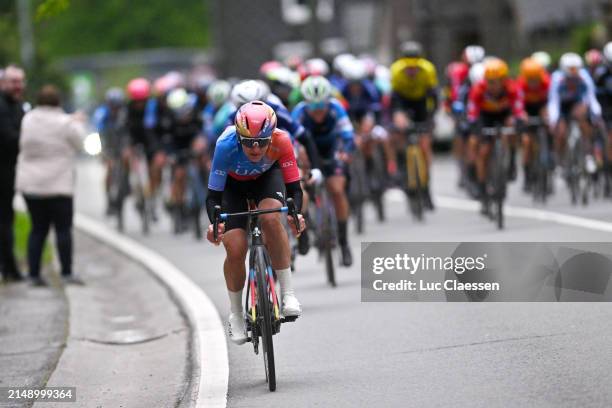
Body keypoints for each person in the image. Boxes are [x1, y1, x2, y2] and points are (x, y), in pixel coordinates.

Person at [205, 101, 305, 344]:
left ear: (271, 136)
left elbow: (294, 189)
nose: (256, 147)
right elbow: (213, 197)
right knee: (236, 247)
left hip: (266, 180)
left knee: (271, 217)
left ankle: (288, 294)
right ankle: (237, 315)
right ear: (239, 136)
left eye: (261, 140)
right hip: (232, 187)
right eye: (249, 141)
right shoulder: (225, 145)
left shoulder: (281, 141)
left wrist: (295, 214)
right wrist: (215, 224)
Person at [15, 85, 86, 286]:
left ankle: (34, 274)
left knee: (37, 229)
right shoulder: (65, 123)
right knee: (63, 230)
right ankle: (66, 272)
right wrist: (77, 122)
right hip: (59, 185)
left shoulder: (27, 120)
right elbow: (80, 143)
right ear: (59, 102)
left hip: (32, 184)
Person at [292, 75, 355, 266]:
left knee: (336, 189)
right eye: (313, 107)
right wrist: (296, 159)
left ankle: (343, 243)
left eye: (322, 106)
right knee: (301, 187)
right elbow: (291, 141)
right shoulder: (299, 113)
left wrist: (345, 151)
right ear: (306, 103)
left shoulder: (336, 108)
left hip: (331, 150)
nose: (318, 112)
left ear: (328, 101)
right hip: (308, 154)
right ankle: (305, 221)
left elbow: (348, 135)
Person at [467, 58, 527, 213]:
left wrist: (519, 119)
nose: (493, 86)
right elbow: (473, 112)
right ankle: (482, 188)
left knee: (511, 128)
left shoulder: (512, 88)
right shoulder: (478, 90)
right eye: (490, 82)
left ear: (503, 80)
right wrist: (474, 125)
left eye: (497, 82)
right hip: (485, 117)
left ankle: (512, 158)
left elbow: (518, 108)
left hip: (503, 115)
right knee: (484, 151)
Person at [389, 41, 439, 210]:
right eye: (408, 67)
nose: (411, 71)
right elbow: (394, 100)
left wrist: (431, 118)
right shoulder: (396, 70)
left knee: (425, 146)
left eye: (414, 67)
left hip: (421, 103)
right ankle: (402, 164)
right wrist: (397, 117)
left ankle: (426, 189)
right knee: (399, 131)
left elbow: (434, 96)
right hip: (403, 102)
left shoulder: (428, 70)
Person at [0, 65, 26, 283]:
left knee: (7, 218)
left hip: (9, 169)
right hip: (3, 170)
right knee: (5, 220)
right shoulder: (3, 107)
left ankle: (8, 266)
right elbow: (9, 138)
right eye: (12, 81)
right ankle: (10, 268)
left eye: (19, 81)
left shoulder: (17, 106)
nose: (17, 86)